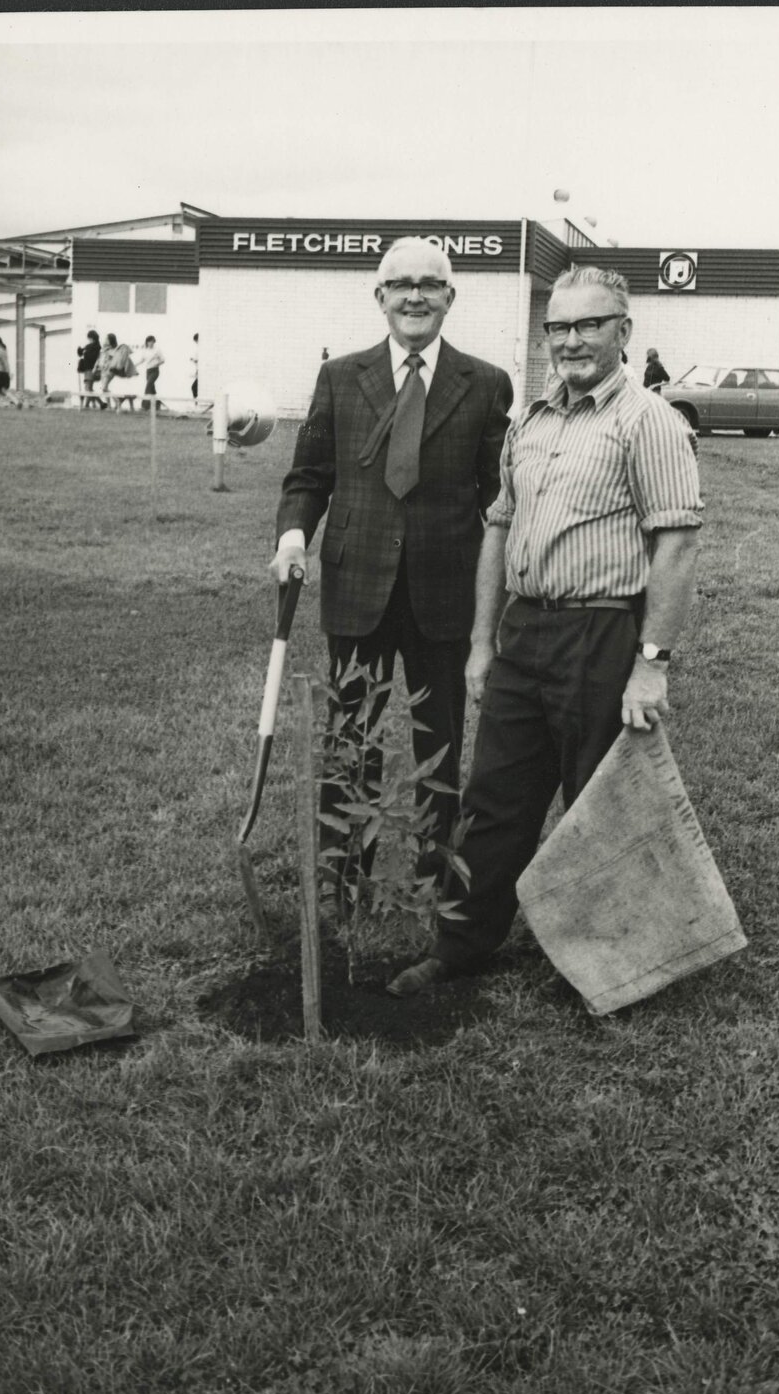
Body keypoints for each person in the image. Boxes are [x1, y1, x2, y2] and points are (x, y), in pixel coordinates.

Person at [385, 265, 703, 998]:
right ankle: (461, 945)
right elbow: (498, 525)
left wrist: (651, 663)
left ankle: (614, 963)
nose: (571, 340)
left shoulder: (648, 420)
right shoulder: (531, 420)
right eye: (558, 327)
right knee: (495, 797)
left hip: (601, 635)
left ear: (623, 331)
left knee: (601, 802)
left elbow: (677, 544)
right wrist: (481, 642)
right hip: (524, 633)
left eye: (589, 324)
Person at [270, 236, 514, 879]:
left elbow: (501, 497)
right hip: (358, 586)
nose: (415, 295)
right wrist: (293, 539)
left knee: (441, 739)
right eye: (401, 284)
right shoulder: (340, 377)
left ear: (450, 298)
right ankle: (342, 876)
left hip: (447, 590)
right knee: (351, 738)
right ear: (380, 297)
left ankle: (438, 879)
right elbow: (307, 476)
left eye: (430, 284)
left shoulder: (486, 383)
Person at [76, 329, 104, 409]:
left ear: (92, 338)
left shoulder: (97, 347)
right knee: (89, 388)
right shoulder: (89, 346)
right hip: (87, 368)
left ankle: (98, 404)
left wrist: (85, 352)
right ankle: (91, 405)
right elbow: (81, 353)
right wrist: (80, 350)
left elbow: (93, 357)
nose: (89, 339)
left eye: (90, 338)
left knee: (88, 388)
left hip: (91, 369)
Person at [138, 335, 165, 411]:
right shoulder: (145, 350)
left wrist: (157, 364)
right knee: (152, 389)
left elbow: (163, 360)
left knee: (148, 386)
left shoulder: (157, 350)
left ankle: (144, 406)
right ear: (147, 342)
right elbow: (142, 360)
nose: (151, 343)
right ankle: (157, 404)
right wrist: (135, 365)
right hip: (148, 371)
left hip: (155, 370)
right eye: (149, 341)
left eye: (153, 341)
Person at [190, 334, 199, 399]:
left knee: (194, 387)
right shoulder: (199, 349)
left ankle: (196, 402)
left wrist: (194, 360)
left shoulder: (200, 349)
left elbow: (198, 361)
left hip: (201, 371)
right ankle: (196, 402)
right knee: (194, 388)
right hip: (199, 370)